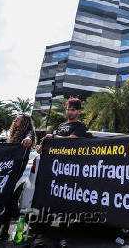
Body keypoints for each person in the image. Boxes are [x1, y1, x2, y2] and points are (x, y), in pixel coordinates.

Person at [33, 97, 87, 248]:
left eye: (73, 110)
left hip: (69, 171)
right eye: (68, 109)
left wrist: (53, 137)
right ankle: (39, 234)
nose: (70, 112)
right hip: (53, 170)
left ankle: (63, 238)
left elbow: (71, 141)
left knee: (65, 207)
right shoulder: (60, 126)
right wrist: (42, 146)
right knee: (47, 202)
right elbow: (50, 144)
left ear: (78, 111)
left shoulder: (80, 126)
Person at [0, 114, 37, 239]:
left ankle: (6, 231)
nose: (15, 120)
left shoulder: (28, 132)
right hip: (9, 169)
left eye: (17, 119)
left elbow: (29, 136)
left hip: (18, 172)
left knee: (9, 200)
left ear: (24, 122)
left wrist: (28, 139)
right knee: (2, 198)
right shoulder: (14, 133)